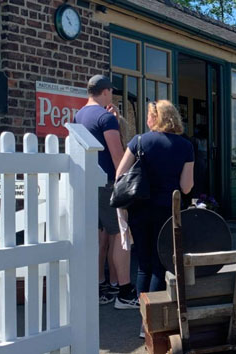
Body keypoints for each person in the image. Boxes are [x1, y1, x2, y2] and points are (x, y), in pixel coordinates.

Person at [116, 100, 194, 301]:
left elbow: (120, 175)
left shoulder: (138, 141)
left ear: (155, 118)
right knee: (161, 265)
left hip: (139, 209)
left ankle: (144, 320)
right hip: (168, 210)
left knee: (143, 264)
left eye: (149, 116)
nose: (147, 120)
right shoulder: (186, 146)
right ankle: (152, 322)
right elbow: (186, 187)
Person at [74, 75, 137, 308]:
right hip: (109, 183)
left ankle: (102, 285)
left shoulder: (79, 115)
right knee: (121, 236)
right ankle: (124, 291)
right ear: (106, 91)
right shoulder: (105, 118)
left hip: (87, 182)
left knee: (99, 236)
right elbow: (117, 156)